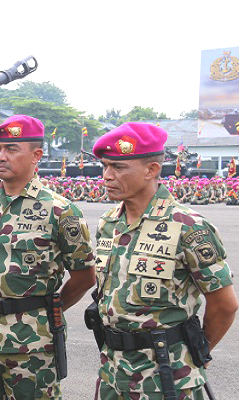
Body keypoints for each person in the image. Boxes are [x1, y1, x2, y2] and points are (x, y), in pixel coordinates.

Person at [90, 122, 238, 399]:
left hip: (168, 379)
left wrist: (194, 354)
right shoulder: (109, 223)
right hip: (113, 374)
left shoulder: (188, 226)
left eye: (118, 167)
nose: (107, 176)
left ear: (151, 170)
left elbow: (224, 305)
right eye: (105, 166)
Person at [0, 115, 96, 399]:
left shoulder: (60, 211)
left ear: (36, 155)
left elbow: (84, 277)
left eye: (11, 149)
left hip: (32, 342)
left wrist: (45, 311)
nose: (1, 156)